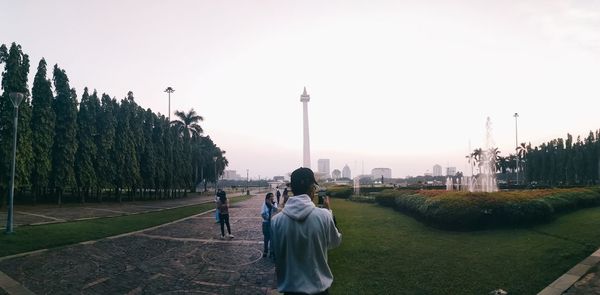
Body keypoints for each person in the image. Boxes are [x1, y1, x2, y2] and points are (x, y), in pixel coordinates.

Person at [271, 167, 342, 295]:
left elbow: (274, 254)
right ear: (311, 189)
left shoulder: (276, 221)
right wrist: (329, 212)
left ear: (292, 188)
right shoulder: (324, 216)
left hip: (290, 291)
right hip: (319, 290)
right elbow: (335, 242)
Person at [261, 192, 278, 257]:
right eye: (270, 196)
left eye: (272, 196)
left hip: (272, 223)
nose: (272, 197)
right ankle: (265, 251)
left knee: (272, 238)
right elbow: (262, 213)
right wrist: (267, 218)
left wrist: (271, 205)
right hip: (266, 223)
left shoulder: (274, 203)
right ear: (267, 198)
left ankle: (271, 251)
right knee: (266, 238)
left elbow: (276, 210)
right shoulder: (264, 204)